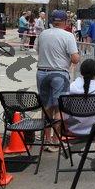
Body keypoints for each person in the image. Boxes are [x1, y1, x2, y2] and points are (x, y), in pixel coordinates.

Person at [36, 10, 80, 151]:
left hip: (42, 72)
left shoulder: (43, 34)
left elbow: (38, 50)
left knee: (46, 107)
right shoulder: (68, 35)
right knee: (59, 108)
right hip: (59, 73)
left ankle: (47, 139)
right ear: (65, 22)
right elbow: (75, 58)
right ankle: (55, 141)